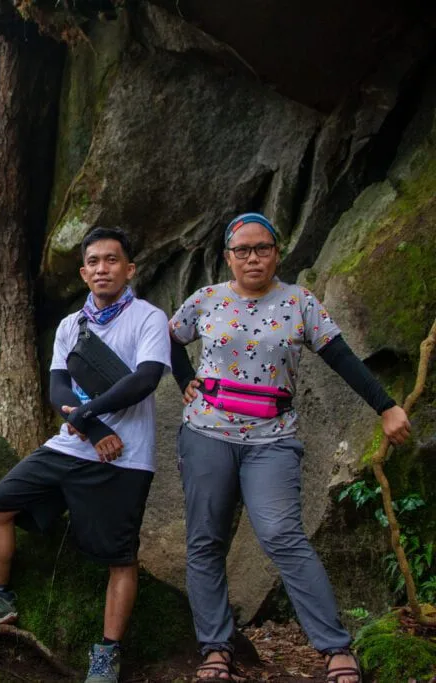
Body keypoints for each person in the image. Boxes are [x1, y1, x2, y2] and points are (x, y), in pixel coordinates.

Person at [169, 213, 411, 683]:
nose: (253, 257)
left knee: (282, 534)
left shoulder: (299, 302)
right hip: (206, 434)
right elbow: (169, 338)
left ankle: (335, 648)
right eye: (243, 250)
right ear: (228, 257)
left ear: (277, 253)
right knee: (204, 540)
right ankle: (216, 649)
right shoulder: (206, 300)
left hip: (273, 439)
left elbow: (340, 356)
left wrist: (386, 406)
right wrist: (184, 380)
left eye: (262, 248)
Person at [0, 227, 170, 683]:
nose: (102, 268)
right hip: (71, 446)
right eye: (94, 262)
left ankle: (107, 653)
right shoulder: (72, 324)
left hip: (123, 458)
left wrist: (87, 413)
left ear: (130, 269)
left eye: (112, 260)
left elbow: (145, 380)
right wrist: (91, 425)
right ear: (83, 272)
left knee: (119, 556)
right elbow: (58, 388)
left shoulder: (148, 318)